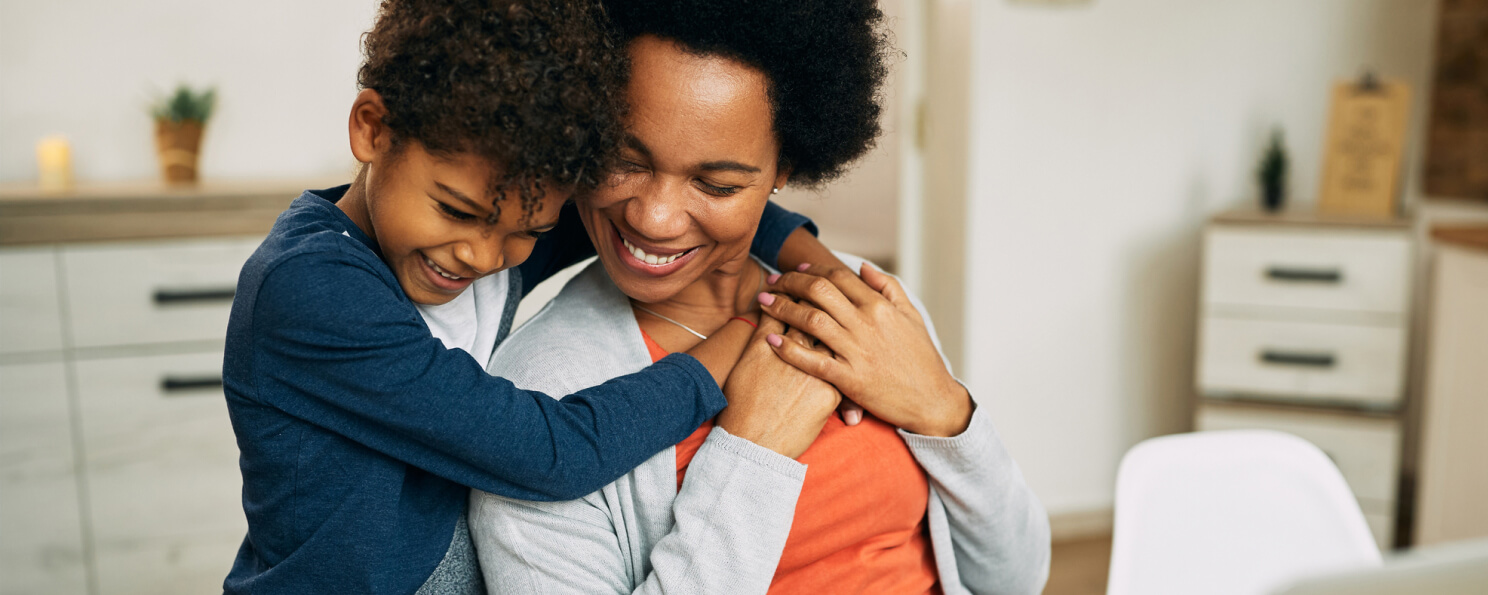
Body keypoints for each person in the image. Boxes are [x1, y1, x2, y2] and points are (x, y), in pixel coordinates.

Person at [220, 0, 848, 592]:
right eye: (453, 209)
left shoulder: (502, 214)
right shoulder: (311, 289)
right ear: (373, 129)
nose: (483, 257)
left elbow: (682, 208)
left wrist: (822, 272)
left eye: (531, 232)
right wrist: (742, 335)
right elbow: (552, 453)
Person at [468, 0, 1052, 592]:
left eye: (716, 184)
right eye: (624, 160)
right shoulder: (540, 402)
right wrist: (752, 452)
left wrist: (945, 412)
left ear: (783, 171)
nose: (656, 217)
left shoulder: (866, 308)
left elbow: (1016, 578)